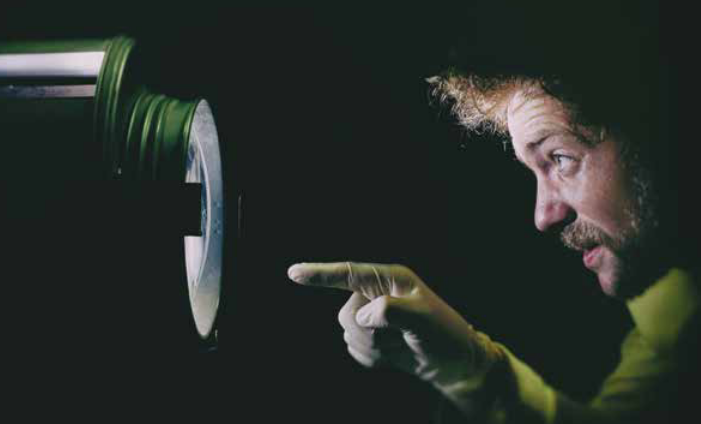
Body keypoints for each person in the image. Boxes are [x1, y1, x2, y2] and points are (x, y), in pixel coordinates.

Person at [287, 3, 699, 423]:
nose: (544, 215)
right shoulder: (673, 318)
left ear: (667, 127)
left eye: (560, 159)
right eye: (534, 170)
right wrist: (467, 370)